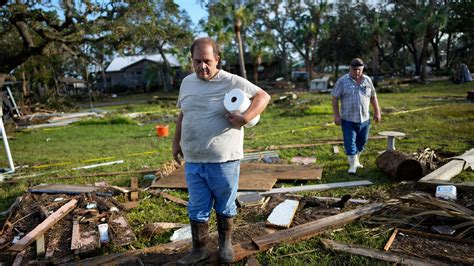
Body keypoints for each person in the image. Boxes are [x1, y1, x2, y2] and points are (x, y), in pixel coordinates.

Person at [172, 37, 270, 264]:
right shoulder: (187, 83)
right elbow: (183, 113)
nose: (202, 66)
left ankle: (225, 245)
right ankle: (199, 249)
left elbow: (263, 96)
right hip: (194, 159)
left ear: (217, 59)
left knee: (225, 204)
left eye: (207, 61)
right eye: (197, 61)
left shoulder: (232, 82)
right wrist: (176, 143)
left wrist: (245, 117)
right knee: (197, 207)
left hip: (223, 160)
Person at [331, 58, 381, 174]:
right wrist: (336, 115)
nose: (357, 72)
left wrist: (377, 112)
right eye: (355, 70)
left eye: (359, 70)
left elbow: (373, 96)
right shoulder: (342, 81)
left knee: (362, 142)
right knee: (350, 142)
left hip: (364, 118)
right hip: (348, 119)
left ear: (362, 69)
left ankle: (356, 160)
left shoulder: (367, 80)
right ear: (350, 68)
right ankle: (352, 164)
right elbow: (335, 98)